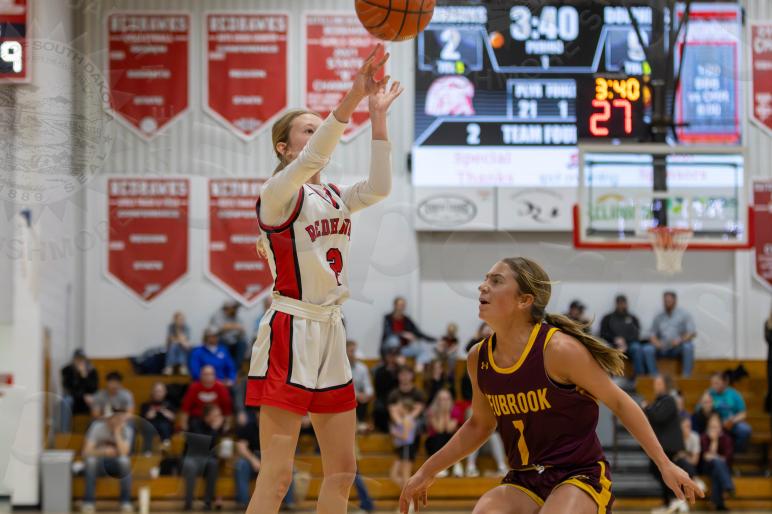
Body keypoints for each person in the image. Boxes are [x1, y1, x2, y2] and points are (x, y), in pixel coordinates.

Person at [398, 257, 702, 514]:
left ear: (524, 300)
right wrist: (426, 471)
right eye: (485, 279)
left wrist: (664, 464)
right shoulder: (478, 358)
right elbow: (480, 424)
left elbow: (620, 402)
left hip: (579, 475)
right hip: (524, 478)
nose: (483, 286)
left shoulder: (558, 350)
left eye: (496, 280)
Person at [244, 44, 402, 514]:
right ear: (284, 147)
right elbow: (314, 159)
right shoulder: (277, 194)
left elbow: (380, 188)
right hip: (290, 328)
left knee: (343, 472)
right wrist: (353, 96)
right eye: (308, 130)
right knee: (277, 478)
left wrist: (377, 118)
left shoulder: (334, 195)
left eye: (321, 128)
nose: (319, 137)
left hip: (331, 330)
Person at [233, 409, 296, 510]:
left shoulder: (276, 428)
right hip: (252, 460)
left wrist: (271, 462)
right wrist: (253, 460)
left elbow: (282, 448)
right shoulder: (248, 427)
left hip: (271, 459)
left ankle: (289, 502)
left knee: (286, 466)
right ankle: (243, 502)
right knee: (241, 465)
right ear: (257, 414)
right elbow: (241, 447)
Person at [643, 375, 686, 513]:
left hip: (669, 445)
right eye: (655, 383)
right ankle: (670, 501)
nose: (655, 385)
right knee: (658, 471)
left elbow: (658, 417)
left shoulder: (669, 400)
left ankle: (675, 499)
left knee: (663, 472)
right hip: (663, 444)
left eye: (658, 383)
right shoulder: (660, 401)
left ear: (665, 385)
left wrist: (647, 408)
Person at [80, 409, 133, 513]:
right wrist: (103, 452)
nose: (117, 420)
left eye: (120, 417)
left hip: (115, 466)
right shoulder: (96, 427)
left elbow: (124, 453)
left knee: (125, 461)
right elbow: (85, 452)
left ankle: (125, 502)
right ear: (107, 418)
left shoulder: (127, 429)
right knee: (90, 461)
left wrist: (117, 432)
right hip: (98, 465)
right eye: (114, 417)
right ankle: (88, 502)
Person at [181, 404, 226, 511]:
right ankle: (188, 503)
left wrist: (216, 429)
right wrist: (214, 429)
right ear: (208, 416)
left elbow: (215, 446)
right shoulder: (194, 424)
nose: (219, 418)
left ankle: (208, 503)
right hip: (191, 456)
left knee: (213, 464)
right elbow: (202, 444)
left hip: (207, 458)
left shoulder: (218, 427)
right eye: (216, 415)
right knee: (191, 466)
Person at [599, 295, 655, 377]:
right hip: (613, 344)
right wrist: (614, 339)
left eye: (623, 303)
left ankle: (639, 376)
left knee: (637, 348)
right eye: (619, 303)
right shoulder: (607, 318)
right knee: (605, 348)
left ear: (626, 304)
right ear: (616, 304)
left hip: (630, 344)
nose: (621, 305)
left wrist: (625, 342)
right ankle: (607, 377)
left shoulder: (633, 318)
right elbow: (603, 333)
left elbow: (636, 334)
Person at [381, 296, 436, 369]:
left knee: (423, 348)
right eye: (400, 305)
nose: (402, 307)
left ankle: (419, 367)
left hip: (403, 348)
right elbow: (388, 333)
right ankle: (398, 358)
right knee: (394, 340)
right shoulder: (387, 318)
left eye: (403, 305)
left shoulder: (407, 319)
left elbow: (418, 333)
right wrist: (402, 334)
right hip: (389, 348)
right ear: (395, 306)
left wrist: (434, 340)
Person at [649, 291, 696, 377]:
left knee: (688, 346)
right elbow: (652, 334)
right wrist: (657, 343)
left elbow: (691, 332)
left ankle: (686, 377)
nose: (667, 303)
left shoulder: (684, 314)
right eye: (665, 301)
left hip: (677, 347)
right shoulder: (658, 316)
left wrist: (680, 340)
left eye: (669, 301)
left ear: (675, 301)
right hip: (662, 347)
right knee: (647, 349)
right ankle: (654, 377)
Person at [179, 365, 233, 433]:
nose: (208, 377)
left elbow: (227, 409)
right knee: (195, 426)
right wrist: (184, 424)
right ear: (201, 375)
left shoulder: (221, 388)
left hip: (216, 418)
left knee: (219, 426)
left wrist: (227, 425)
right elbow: (185, 408)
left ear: (214, 375)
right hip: (198, 418)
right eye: (205, 374)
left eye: (210, 374)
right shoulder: (194, 387)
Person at [707, 372, 752, 452]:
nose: (713, 386)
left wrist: (732, 421)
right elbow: (701, 409)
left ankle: (736, 452)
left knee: (745, 429)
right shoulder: (709, 393)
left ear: (725, 383)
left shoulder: (734, 394)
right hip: (714, 423)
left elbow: (743, 414)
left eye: (716, 383)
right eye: (712, 383)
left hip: (731, 423)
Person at [424, 389, 464, 478]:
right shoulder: (431, 411)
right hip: (434, 441)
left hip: (449, 438)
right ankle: (439, 467)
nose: (444, 402)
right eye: (442, 399)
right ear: (437, 401)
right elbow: (439, 429)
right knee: (439, 437)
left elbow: (449, 429)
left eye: (446, 399)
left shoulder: (455, 410)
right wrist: (442, 412)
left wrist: (447, 413)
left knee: (452, 438)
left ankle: (456, 464)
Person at [700, 412, 735, 511]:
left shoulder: (726, 438)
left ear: (720, 427)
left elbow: (727, 458)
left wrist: (714, 457)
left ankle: (716, 502)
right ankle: (728, 486)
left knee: (717, 469)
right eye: (712, 427)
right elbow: (706, 457)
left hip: (721, 468)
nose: (714, 429)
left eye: (716, 427)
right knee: (717, 463)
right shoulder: (704, 437)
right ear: (708, 427)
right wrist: (714, 441)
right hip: (706, 468)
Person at [60, 349, 99, 432]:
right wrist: (82, 396)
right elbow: (69, 389)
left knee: (96, 401)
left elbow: (93, 389)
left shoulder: (92, 371)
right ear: (73, 359)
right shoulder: (67, 371)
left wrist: (84, 376)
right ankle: (64, 433)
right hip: (75, 399)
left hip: (87, 401)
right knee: (66, 401)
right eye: (78, 359)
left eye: (82, 359)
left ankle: (93, 432)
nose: (80, 361)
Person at [139, 382, 176, 455]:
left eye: (160, 391)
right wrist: (148, 416)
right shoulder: (146, 405)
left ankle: (166, 445)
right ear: (152, 392)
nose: (158, 394)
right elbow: (141, 421)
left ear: (165, 392)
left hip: (165, 428)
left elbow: (174, 419)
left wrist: (168, 414)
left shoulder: (169, 405)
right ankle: (147, 451)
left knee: (164, 426)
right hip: (151, 427)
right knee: (148, 427)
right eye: (156, 391)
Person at [210, 300, 248, 368]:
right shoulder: (217, 315)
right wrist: (234, 326)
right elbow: (217, 329)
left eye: (236, 308)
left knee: (243, 343)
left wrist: (237, 329)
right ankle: (227, 368)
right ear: (227, 308)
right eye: (234, 308)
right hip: (222, 340)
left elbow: (242, 329)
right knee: (222, 344)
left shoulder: (236, 316)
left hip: (234, 340)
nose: (236, 310)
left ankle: (235, 368)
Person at [347, 340, 374, 431]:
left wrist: (367, 394)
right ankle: (355, 425)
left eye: (355, 351)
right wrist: (356, 395)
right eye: (352, 351)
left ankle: (359, 424)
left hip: (360, 400)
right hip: (345, 397)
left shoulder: (362, 368)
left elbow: (368, 386)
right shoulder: (340, 368)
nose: (354, 354)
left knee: (363, 399)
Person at [373, 346, 401, 433]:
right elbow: (379, 388)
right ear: (386, 356)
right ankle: (383, 430)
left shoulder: (401, 369)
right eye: (390, 355)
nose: (392, 358)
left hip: (399, 397)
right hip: (383, 397)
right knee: (379, 407)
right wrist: (389, 372)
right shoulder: (380, 370)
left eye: (395, 355)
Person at [164, 311, 191, 375]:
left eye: (182, 319)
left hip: (184, 347)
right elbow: (170, 339)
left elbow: (185, 341)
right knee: (174, 345)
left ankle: (177, 365)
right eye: (179, 319)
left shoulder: (186, 327)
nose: (181, 321)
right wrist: (179, 340)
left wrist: (178, 336)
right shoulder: (171, 327)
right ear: (175, 320)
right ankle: (174, 366)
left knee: (179, 345)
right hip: (173, 346)